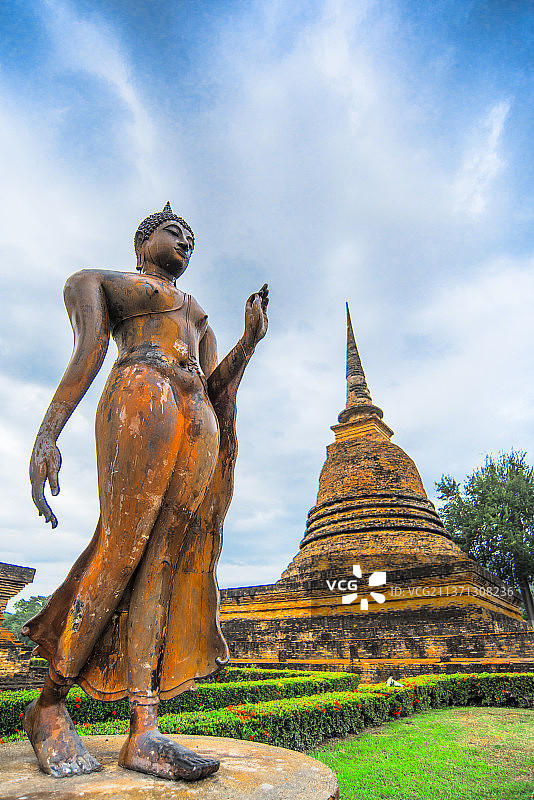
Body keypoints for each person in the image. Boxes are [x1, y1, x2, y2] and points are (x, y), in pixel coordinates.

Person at [22, 203, 269, 781]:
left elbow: (217, 383)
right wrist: (47, 434)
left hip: (196, 411)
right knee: (121, 550)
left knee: (162, 563)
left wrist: (250, 340)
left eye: (191, 239)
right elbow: (87, 356)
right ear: (142, 243)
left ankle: (144, 730)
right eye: (172, 231)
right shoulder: (100, 282)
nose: (184, 241)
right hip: (142, 390)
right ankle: (49, 703)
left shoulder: (199, 313)